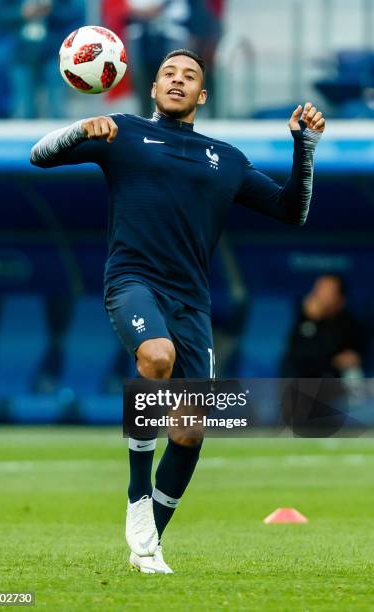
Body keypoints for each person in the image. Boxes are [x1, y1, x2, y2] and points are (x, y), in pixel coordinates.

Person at [30, 49, 325, 574]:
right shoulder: (120, 134)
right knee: (156, 356)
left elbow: (290, 211)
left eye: (190, 76)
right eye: (169, 73)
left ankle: (148, 547)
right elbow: (40, 154)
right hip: (133, 283)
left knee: (190, 430)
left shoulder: (226, 159)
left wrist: (304, 146)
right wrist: (81, 130)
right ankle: (137, 496)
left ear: (201, 95)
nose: (178, 80)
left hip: (192, 301)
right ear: (152, 87)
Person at [280, 275, 363, 379]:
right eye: (319, 290)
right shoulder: (305, 318)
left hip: (333, 381)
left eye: (328, 292)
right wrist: (312, 319)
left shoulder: (349, 322)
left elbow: (344, 353)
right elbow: (295, 353)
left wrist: (317, 320)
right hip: (304, 380)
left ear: (341, 300)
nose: (321, 296)